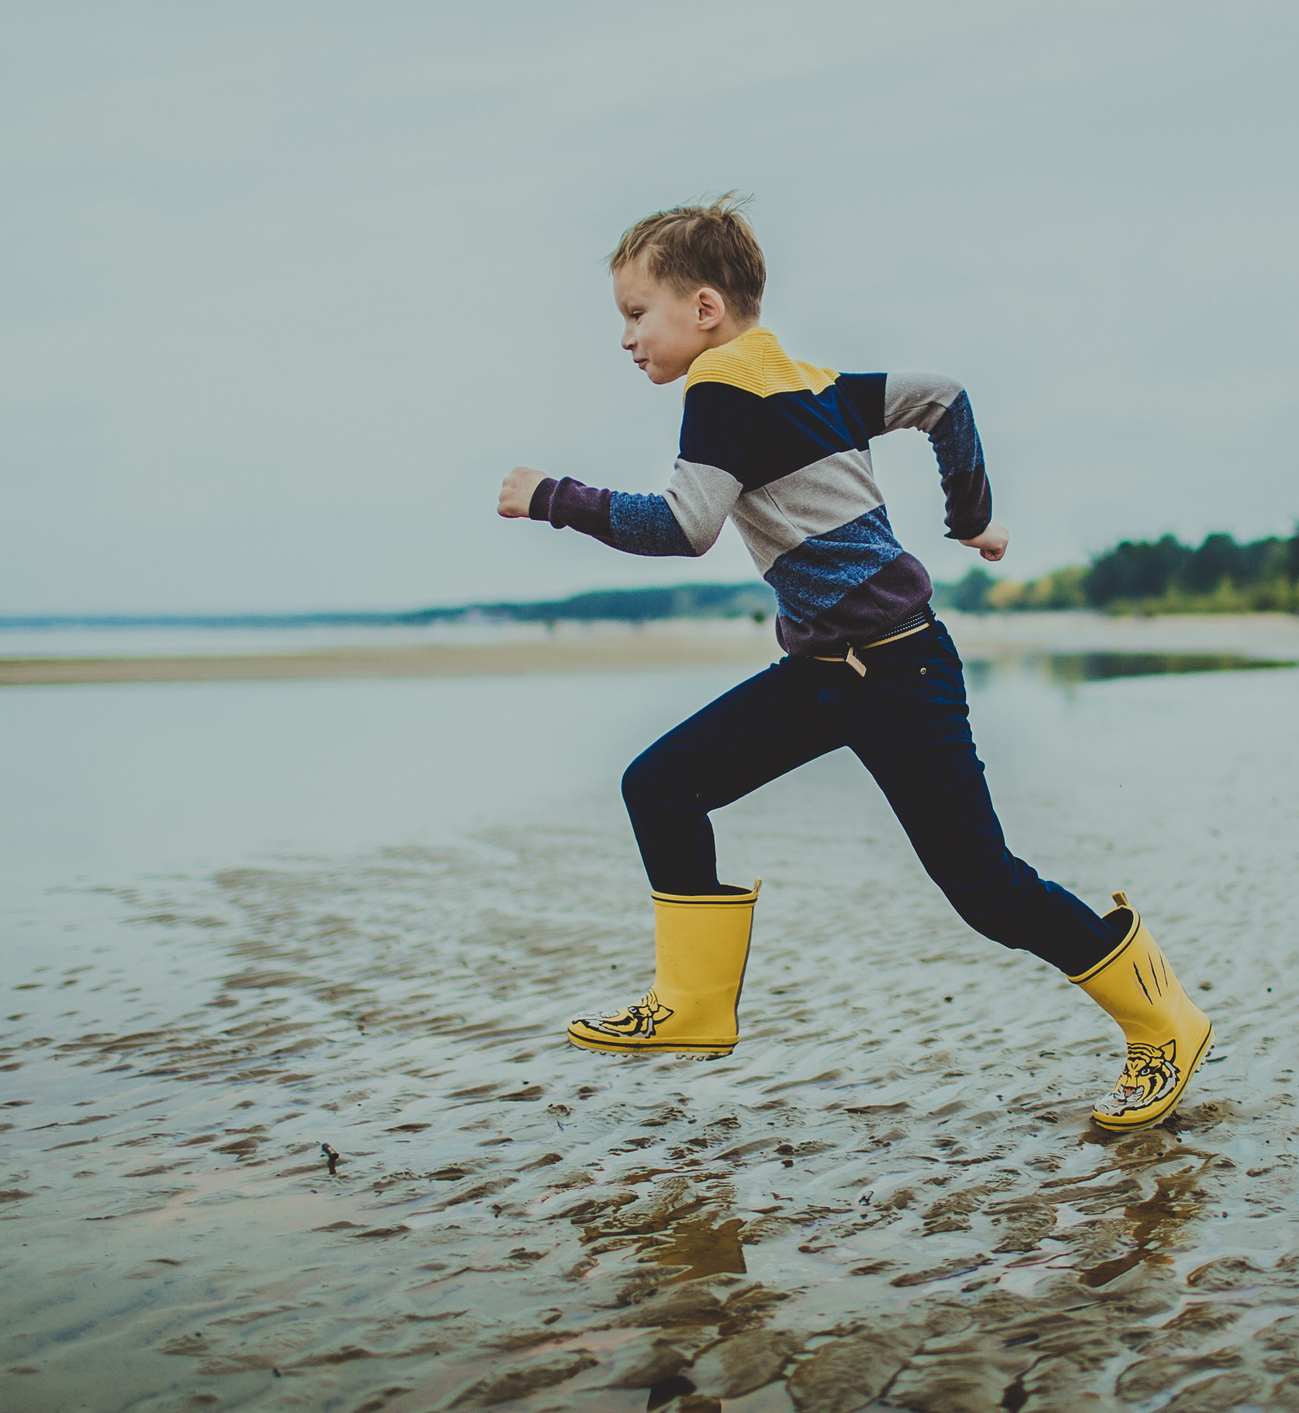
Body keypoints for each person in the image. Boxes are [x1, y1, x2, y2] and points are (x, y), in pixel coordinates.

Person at [494, 197, 1213, 1129]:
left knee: (986, 887)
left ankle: (1163, 1018)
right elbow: (944, 398)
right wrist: (971, 517)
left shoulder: (720, 387)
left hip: (899, 673)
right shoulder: (808, 376)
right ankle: (698, 1003)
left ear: (705, 309)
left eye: (636, 313)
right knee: (661, 786)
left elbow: (684, 525)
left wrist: (554, 496)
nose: (626, 338)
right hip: (828, 675)